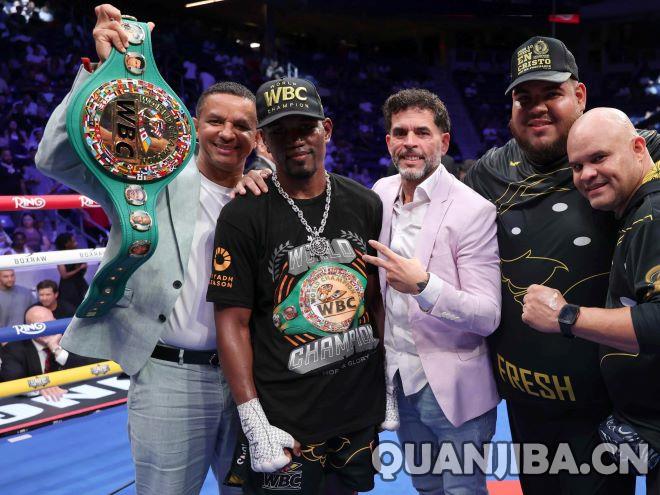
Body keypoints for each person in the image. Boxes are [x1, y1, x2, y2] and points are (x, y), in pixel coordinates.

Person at [35, 4, 256, 494]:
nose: (228, 133)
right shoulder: (147, 175)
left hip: (252, 378)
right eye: (216, 121)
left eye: (242, 126)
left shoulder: (266, 195)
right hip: (169, 377)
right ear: (192, 125)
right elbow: (53, 159)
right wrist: (98, 74)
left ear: (257, 138)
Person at [464, 36, 660, 494]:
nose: (537, 107)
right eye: (523, 97)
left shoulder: (638, 154)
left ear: (580, 95)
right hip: (523, 406)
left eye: (551, 93)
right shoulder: (488, 173)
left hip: (602, 411)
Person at [206, 77, 388, 495]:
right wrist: (253, 420)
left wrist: (387, 385)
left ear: (327, 129)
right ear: (263, 142)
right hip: (285, 418)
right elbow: (231, 322)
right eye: (280, 132)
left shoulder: (365, 203)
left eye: (305, 128)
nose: (295, 140)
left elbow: (376, 300)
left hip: (357, 410)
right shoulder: (243, 215)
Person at [362, 88, 501, 494]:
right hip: (399, 381)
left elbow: (488, 315)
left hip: (454, 388)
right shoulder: (380, 192)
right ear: (388, 141)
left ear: (444, 141)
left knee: (462, 490)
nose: (410, 143)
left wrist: (424, 286)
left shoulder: (473, 210)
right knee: (425, 487)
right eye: (400, 133)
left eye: (422, 132)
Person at [523, 107, 660, 493]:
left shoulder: (653, 215)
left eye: (599, 158)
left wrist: (565, 316)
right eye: (577, 166)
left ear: (638, 148)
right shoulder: (638, 208)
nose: (586, 175)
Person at [0, 305, 97, 401]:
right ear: (28, 328)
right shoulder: (13, 349)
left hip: (70, 395)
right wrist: (39, 388)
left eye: (50, 323)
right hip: (34, 402)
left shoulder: (67, 338)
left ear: (55, 320)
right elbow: (12, 381)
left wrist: (56, 349)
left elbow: (89, 365)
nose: (47, 329)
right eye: (40, 325)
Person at [54, 232, 88, 309]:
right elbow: (64, 275)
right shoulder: (60, 256)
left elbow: (83, 271)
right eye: (73, 241)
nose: (76, 243)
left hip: (81, 284)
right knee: (71, 307)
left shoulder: (79, 253)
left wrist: (83, 268)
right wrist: (79, 269)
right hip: (68, 287)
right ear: (66, 244)